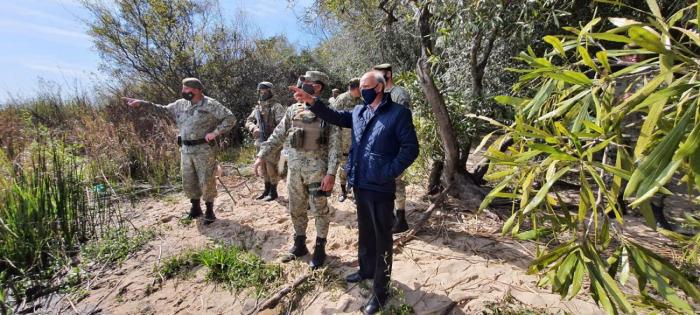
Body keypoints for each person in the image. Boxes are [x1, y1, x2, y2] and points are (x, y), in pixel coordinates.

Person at [292, 71, 419, 314]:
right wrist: (312, 102)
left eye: (367, 86)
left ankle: (381, 291)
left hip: (381, 186)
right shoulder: (359, 111)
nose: (362, 90)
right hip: (360, 183)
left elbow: (411, 148)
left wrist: (389, 171)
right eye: (360, 86)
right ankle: (365, 270)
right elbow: (336, 116)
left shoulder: (398, 114)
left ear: (380, 88)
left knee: (382, 238)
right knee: (365, 231)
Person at [252, 71, 340, 269]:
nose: (302, 83)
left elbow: (335, 143)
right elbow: (278, 134)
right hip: (294, 169)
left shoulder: (328, 110)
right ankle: (299, 244)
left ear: (318, 86)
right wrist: (261, 155)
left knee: (319, 209)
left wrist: (332, 172)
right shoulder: (293, 109)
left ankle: (320, 248)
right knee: (296, 207)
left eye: (307, 81)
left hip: (318, 170)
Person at [122, 78, 235, 225]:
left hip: (204, 150)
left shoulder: (211, 104)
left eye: (186, 89)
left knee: (206, 180)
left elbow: (230, 118)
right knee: (188, 180)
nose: (183, 92)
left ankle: (209, 211)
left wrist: (215, 133)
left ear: (197, 90)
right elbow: (162, 110)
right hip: (186, 150)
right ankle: (195, 208)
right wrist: (142, 104)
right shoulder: (180, 104)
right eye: (183, 89)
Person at [373, 63, 412, 233]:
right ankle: (390, 216)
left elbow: (402, 121)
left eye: (379, 74)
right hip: (380, 145)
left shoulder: (399, 93)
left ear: (388, 74)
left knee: (397, 181)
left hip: (395, 145)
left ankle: (401, 218)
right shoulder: (379, 94)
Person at [245, 81, 286, 201]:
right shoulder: (257, 107)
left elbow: (282, 124)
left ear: (270, 91)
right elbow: (248, 121)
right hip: (260, 141)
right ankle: (266, 190)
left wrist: (273, 131)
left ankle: (273, 192)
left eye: (265, 91)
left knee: (271, 167)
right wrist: (254, 128)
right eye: (261, 91)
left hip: (272, 142)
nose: (263, 93)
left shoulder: (276, 106)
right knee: (263, 167)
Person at [331, 78, 361, 202]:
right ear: (356, 88)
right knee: (344, 167)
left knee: (356, 167)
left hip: (357, 140)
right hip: (343, 141)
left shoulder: (361, 100)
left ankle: (354, 192)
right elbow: (333, 117)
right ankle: (343, 191)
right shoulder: (342, 99)